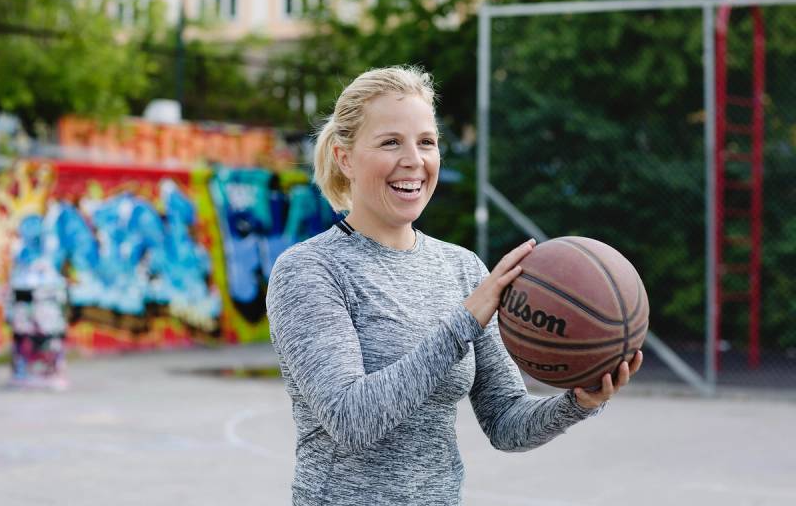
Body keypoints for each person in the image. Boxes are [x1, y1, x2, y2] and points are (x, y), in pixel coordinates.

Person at [266, 65, 642, 505]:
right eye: (391, 142)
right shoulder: (309, 270)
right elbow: (352, 420)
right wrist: (464, 321)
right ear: (344, 157)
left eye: (427, 142)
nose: (414, 160)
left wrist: (578, 402)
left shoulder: (461, 268)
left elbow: (506, 422)